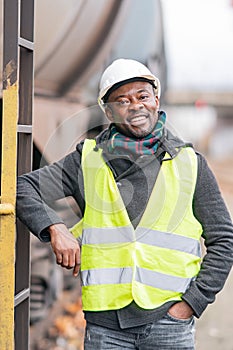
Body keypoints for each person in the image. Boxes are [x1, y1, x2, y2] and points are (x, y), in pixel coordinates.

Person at [17, 58, 233, 349]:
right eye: (122, 100)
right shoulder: (87, 160)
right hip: (106, 327)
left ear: (156, 100)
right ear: (108, 111)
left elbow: (224, 240)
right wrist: (55, 227)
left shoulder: (190, 164)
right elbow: (24, 187)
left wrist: (192, 304)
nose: (135, 105)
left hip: (169, 323)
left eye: (142, 96)